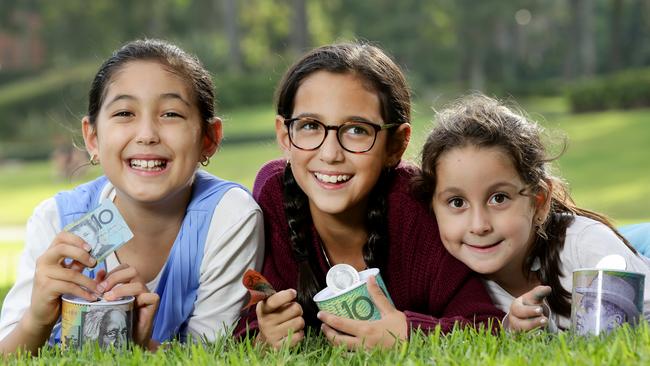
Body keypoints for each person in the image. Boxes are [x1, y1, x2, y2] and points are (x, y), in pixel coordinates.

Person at [0, 39, 263, 354]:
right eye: (125, 112)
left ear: (209, 139)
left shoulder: (229, 216)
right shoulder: (56, 220)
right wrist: (37, 321)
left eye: (171, 114)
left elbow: (211, 355)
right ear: (92, 138)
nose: (147, 134)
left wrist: (140, 347)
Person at [235, 43, 503, 350]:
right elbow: (247, 318)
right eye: (310, 126)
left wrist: (407, 333)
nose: (331, 153)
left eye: (357, 130)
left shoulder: (418, 208)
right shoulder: (275, 194)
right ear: (285, 135)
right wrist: (264, 334)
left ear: (396, 145)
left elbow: (487, 326)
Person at [414, 94, 650, 332]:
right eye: (457, 202)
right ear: (432, 208)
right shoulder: (451, 280)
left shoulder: (585, 245)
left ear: (539, 202)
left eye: (499, 198)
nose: (479, 225)